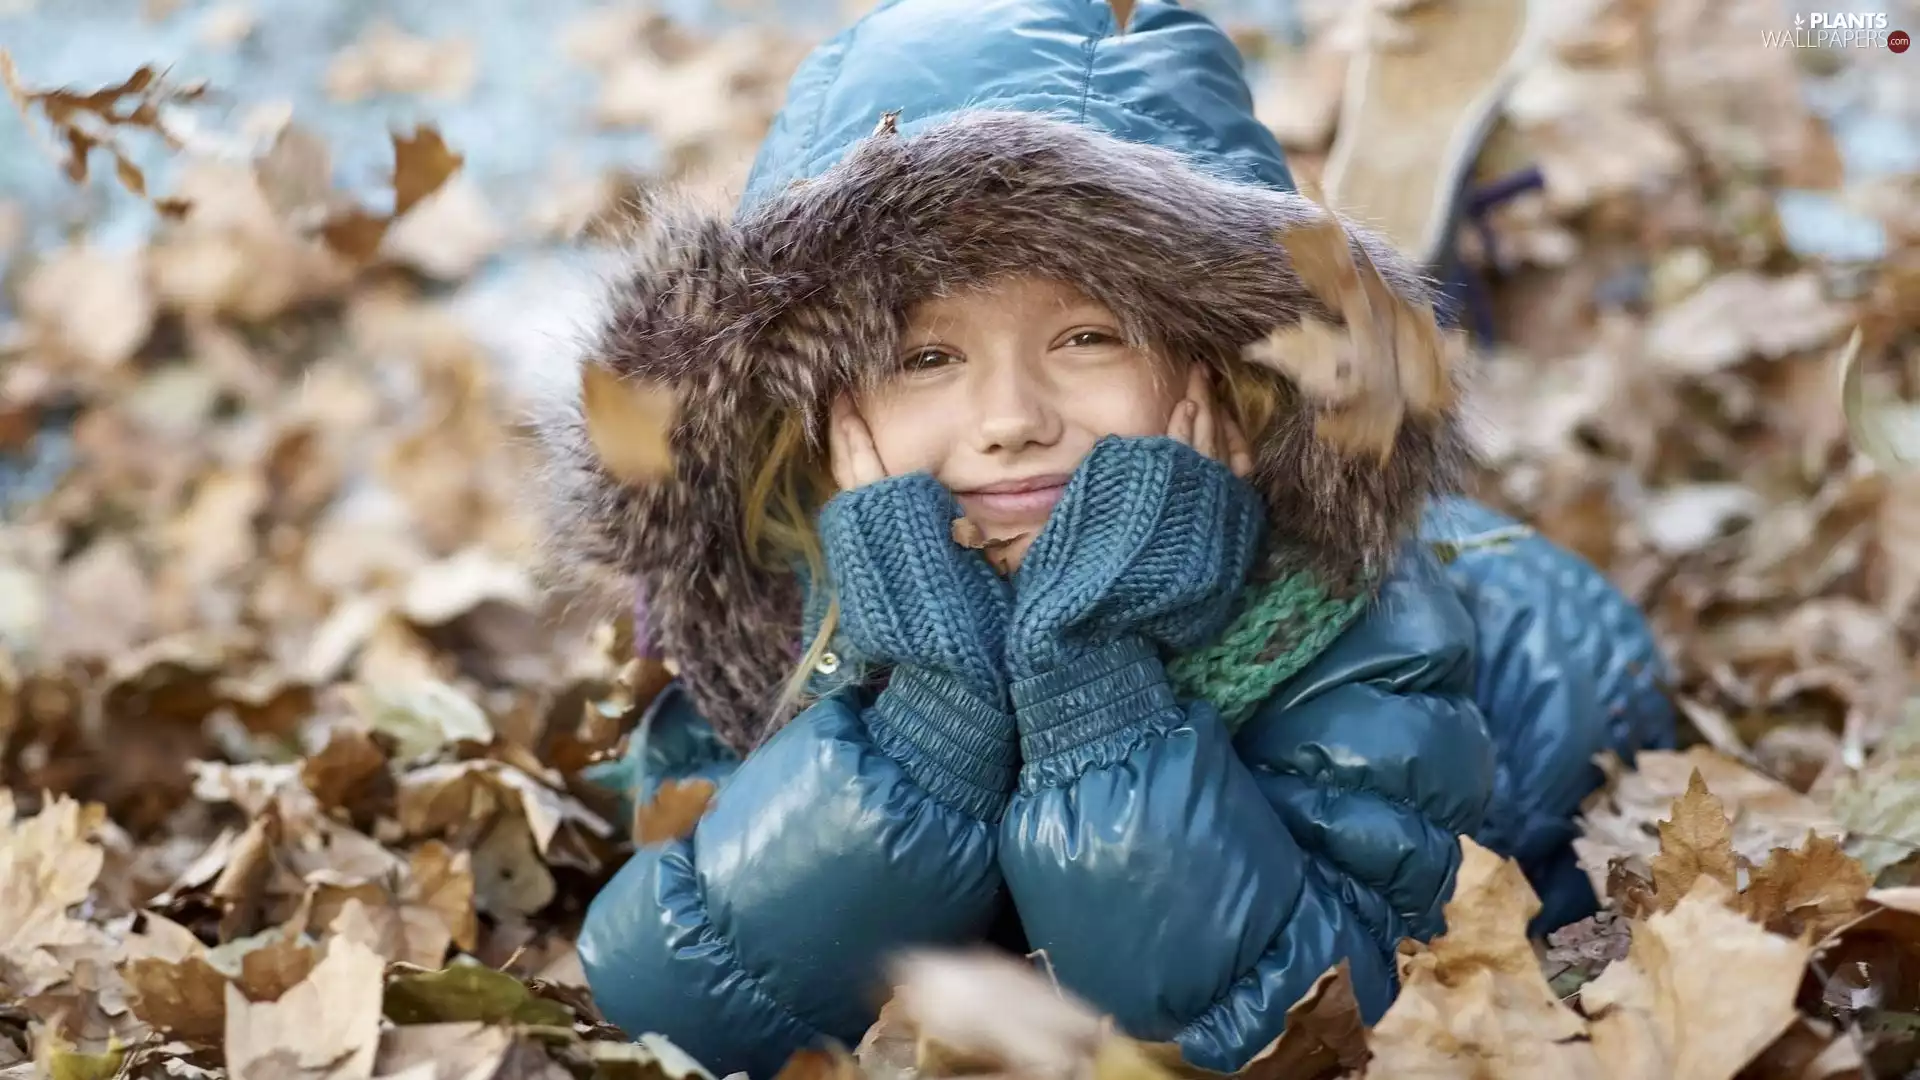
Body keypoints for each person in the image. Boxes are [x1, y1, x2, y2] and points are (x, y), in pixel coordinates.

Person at [531, 0, 1675, 1074]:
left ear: (1219, 366)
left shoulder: (1352, 627)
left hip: (1539, 647)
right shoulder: (780, 614)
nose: (1012, 419)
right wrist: (929, 717)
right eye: (925, 357)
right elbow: (679, 1004)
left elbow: (1313, 1026)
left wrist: (1093, 678)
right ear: (813, 418)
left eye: (1088, 337)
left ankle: (1411, 277)